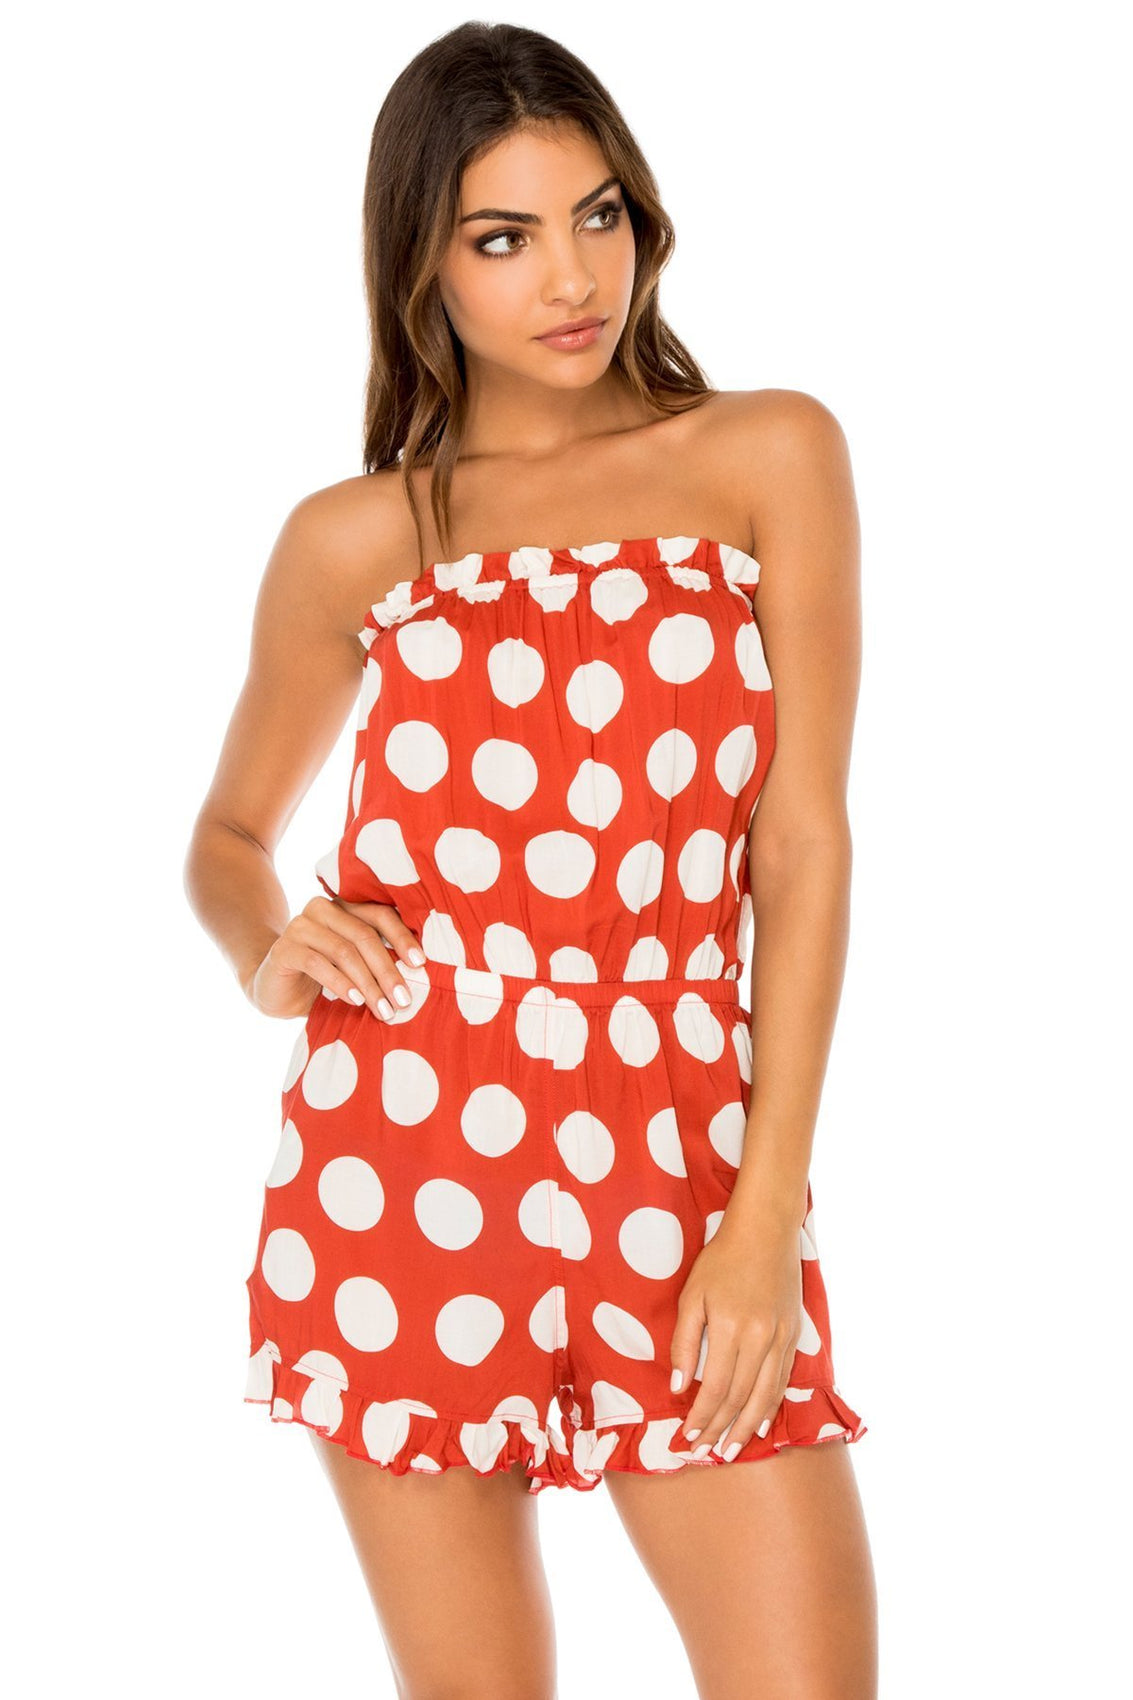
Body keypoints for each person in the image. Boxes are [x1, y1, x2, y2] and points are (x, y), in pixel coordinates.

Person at [184, 20, 878, 1699]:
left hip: (684, 1155)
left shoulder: (767, 455)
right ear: (419, 264)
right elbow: (225, 837)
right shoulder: (359, 536)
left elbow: (800, 843)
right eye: (500, 237)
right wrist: (265, 942)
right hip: (403, 1147)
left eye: (597, 215)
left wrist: (762, 1213)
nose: (571, 278)